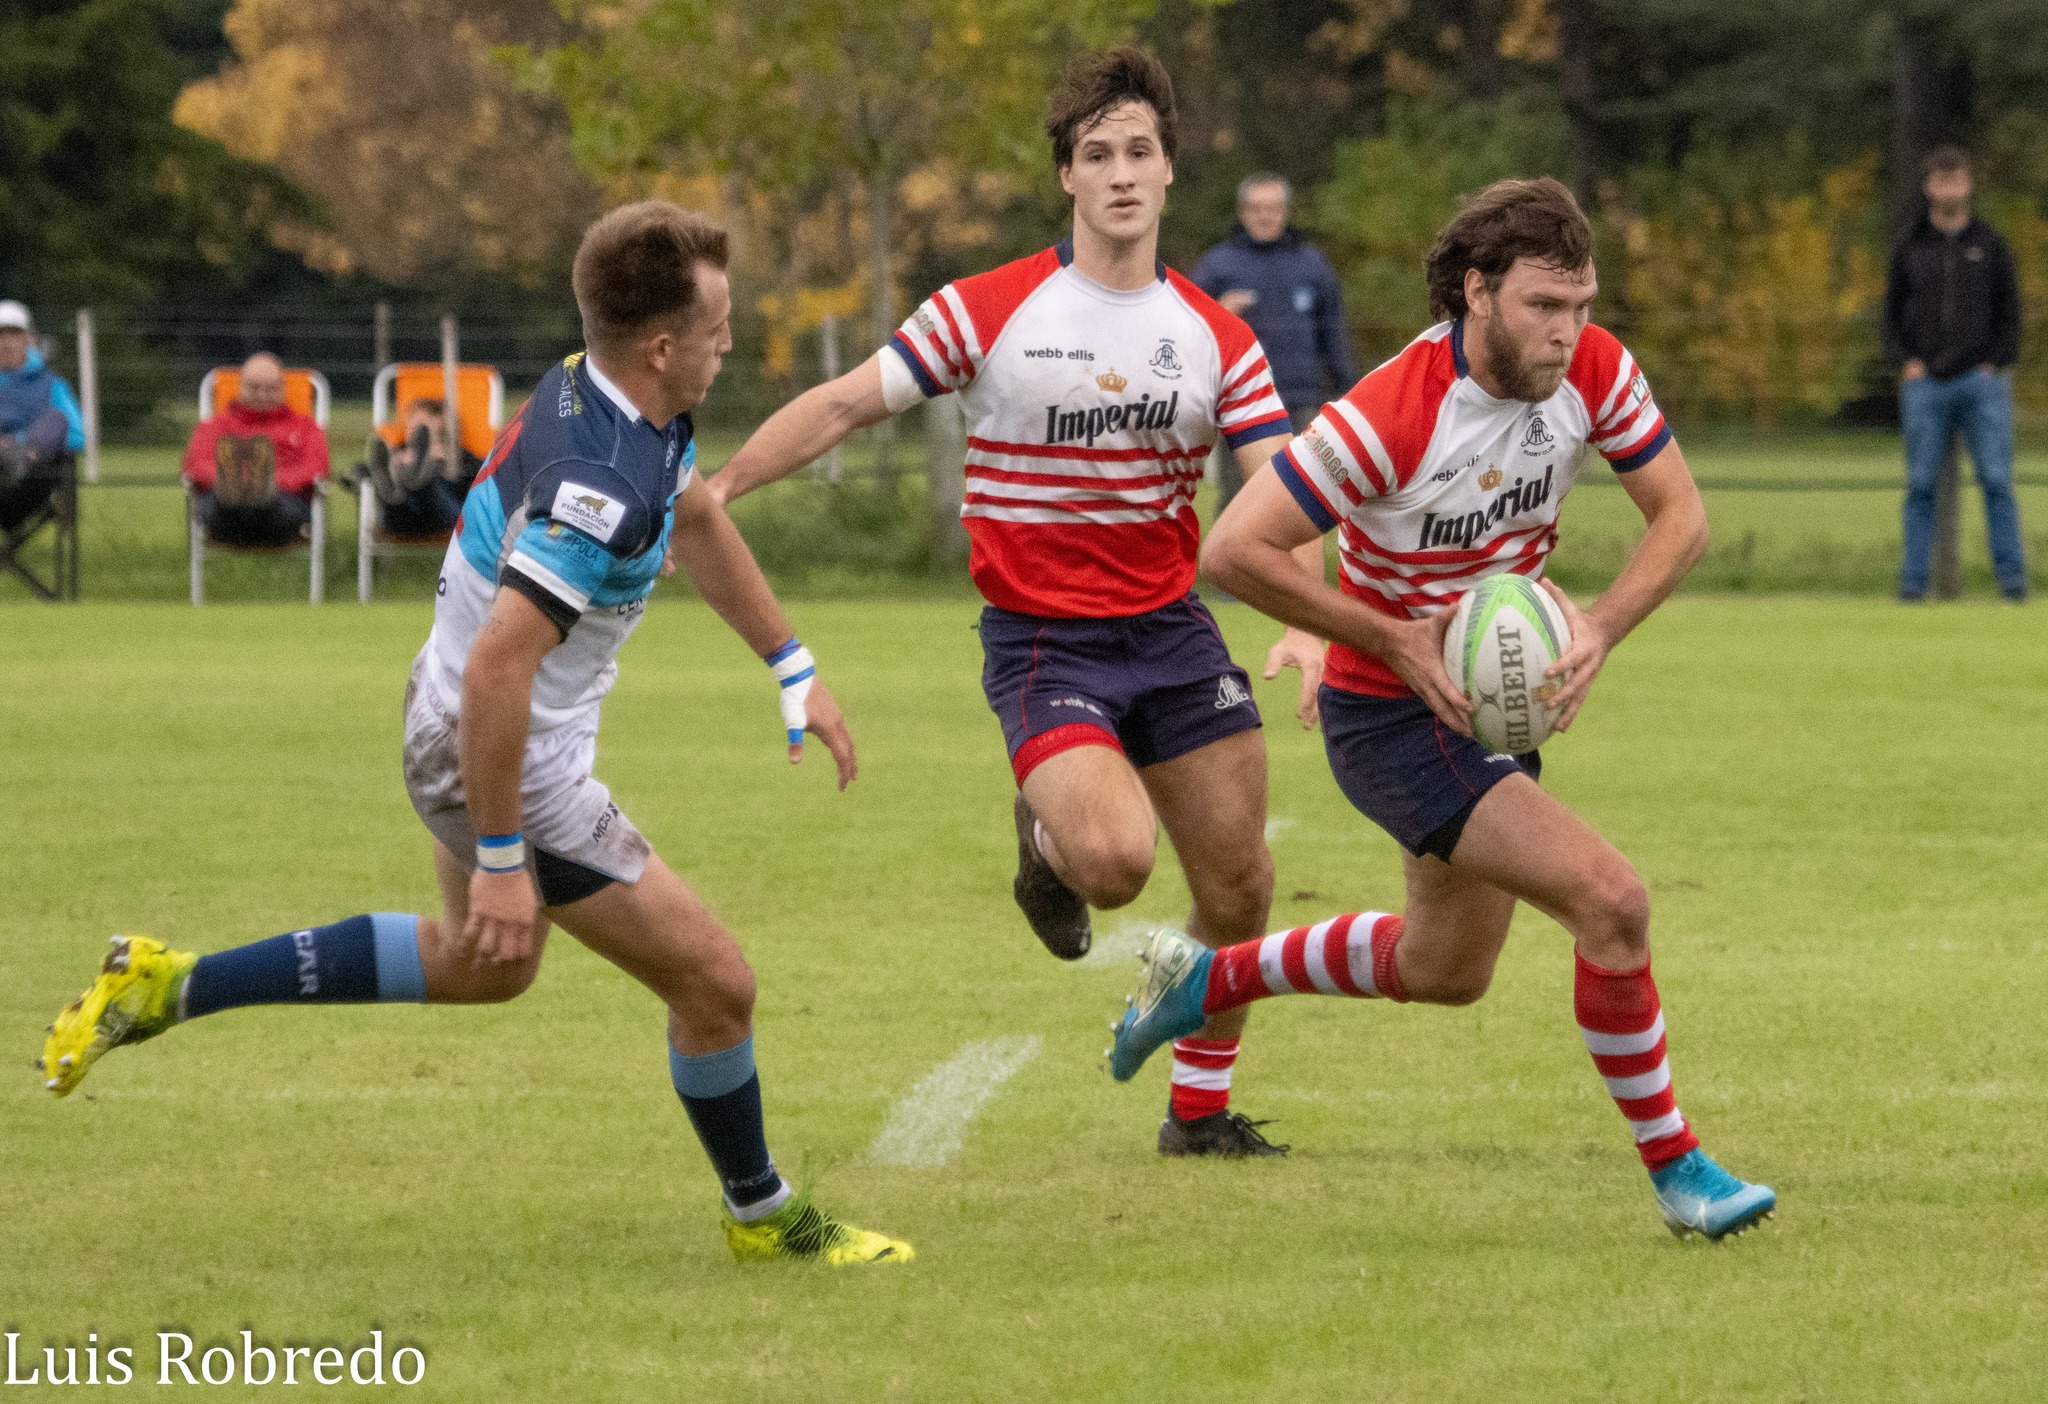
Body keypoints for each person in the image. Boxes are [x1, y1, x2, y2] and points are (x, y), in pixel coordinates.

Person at [42, 200, 912, 1266]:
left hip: (445, 711)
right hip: (497, 750)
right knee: (716, 983)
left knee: (482, 968)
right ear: (662, 344)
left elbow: (695, 515)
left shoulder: (609, 398)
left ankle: (172, 984)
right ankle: (763, 1215)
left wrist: (792, 665)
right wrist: (503, 857)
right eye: (720, 327)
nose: (731, 344)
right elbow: (506, 664)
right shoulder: (595, 490)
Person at [1107, 177, 1777, 1240]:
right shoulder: (1390, 413)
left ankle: (1204, 979)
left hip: (1484, 715)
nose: (1567, 333)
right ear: (1475, 292)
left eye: (1581, 305)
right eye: (1541, 308)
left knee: (1445, 972)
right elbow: (1231, 551)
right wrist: (1386, 637)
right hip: (1388, 716)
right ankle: (1679, 1172)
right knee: (1610, 902)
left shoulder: (1592, 369)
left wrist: (1597, 624)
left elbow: (1680, 518)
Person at [709, 48, 1326, 1158]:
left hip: (1173, 631)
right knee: (1116, 864)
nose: (1121, 173)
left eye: (1139, 151)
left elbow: (1277, 490)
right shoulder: (989, 308)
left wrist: (1303, 620)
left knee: (1239, 888)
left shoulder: (1215, 336)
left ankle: (1196, 1113)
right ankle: (1045, 843)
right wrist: (718, 491)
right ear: (1068, 179)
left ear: (1170, 171)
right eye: (1098, 155)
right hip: (1046, 642)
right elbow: (848, 404)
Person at [1882, 145, 2028, 603]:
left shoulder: (1990, 244)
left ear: (1969, 184)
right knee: (1921, 485)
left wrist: (1995, 361)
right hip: (1925, 383)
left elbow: (2011, 312)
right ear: (1929, 187)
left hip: (1981, 384)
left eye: (1958, 178)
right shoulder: (1910, 245)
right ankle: (1913, 584)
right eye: (1942, 180)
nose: (1951, 188)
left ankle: (2012, 583)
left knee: (1997, 481)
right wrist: (1905, 361)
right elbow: (1889, 313)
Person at [1192, 174, 1356, 512]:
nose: (1265, 216)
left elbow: (1333, 335)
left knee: (1297, 503)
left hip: (1300, 403)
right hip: (1239, 403)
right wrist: (1220, 314)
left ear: (1285, 211)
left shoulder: (1313, 265)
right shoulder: (1216, 266)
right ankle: (1231, 566)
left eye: (1273, 208)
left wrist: (1346, 392)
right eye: (1256, 209)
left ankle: (1291, 565)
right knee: (1239, 501)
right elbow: (1187, 333)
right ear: (1242, 212)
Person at [181, 352, 331, 548]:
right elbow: (195, 465)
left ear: (283, 389)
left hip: (283, 509)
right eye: (254, 388)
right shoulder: (215, 426)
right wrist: (242, 482)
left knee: (269, 500)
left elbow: (316, 467)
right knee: (227, 495)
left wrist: (271, 482)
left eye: (271, 389)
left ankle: (260, 492)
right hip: (223, 512)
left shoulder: (304, 427)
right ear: (240, 387)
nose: (262, 395)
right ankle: (246, 492)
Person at [0, 300, 85, 535]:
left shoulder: (52, 384)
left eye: (14, 334)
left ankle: (16, 457)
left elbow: (77, 436)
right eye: (0, 335)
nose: (6, 342)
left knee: (57, 418)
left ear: (29, 339)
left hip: (31, 478)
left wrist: (16, 443)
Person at [363, 396, 482, 538]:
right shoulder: (397, 453)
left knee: (431, 482)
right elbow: (369, 469)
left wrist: (441, 463)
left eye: (423, 423)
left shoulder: (459, 456)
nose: (412, 424)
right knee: (394, 484)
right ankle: (400, 486)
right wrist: (396, 463)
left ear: (442, 421)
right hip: (402, 521)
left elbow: (481, 476)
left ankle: (417, 481)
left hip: (443, 519)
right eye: (411, 421)